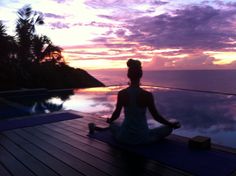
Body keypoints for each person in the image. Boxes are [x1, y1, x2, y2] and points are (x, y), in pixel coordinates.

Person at [105, 59, 181, 145]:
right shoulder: (147, 95)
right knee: (168, 128)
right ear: (141, 75)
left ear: (128, 75)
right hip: (142, 138)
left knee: (113, 125)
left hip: (124, 137)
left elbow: (116, 114)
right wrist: (171, 124)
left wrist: (110, 120)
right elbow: (156, 117)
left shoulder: (122, 93)